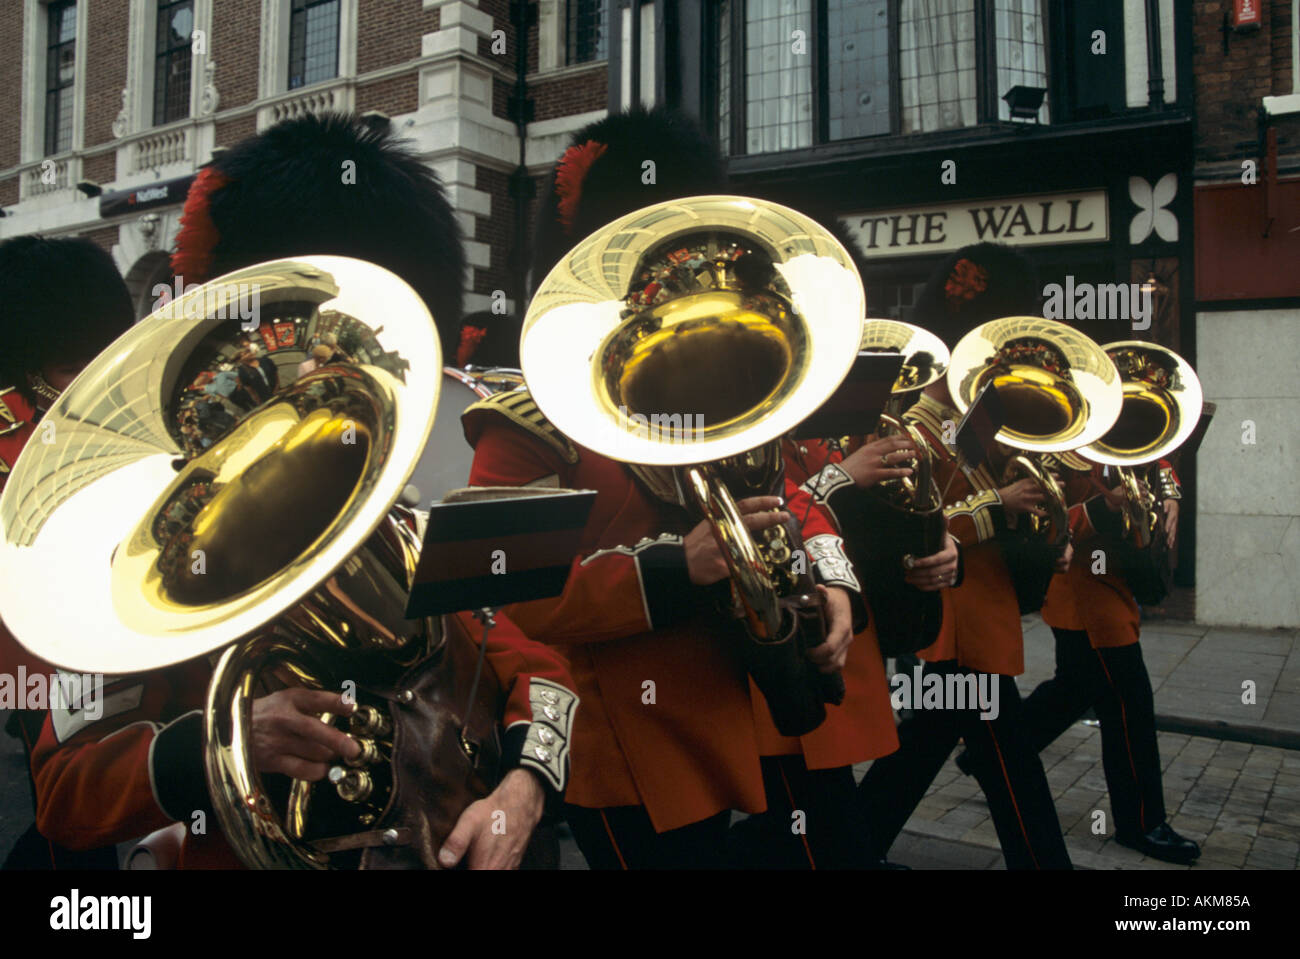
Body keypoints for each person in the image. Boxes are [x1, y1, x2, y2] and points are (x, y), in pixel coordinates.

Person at [22, 113, 576, 869]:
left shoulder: (405, 527)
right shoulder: (148, 551)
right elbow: (65, 785)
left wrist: (521, 790)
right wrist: (227, 742)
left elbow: (536, 667)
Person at [465, 107, 861, 869]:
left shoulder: (723, 379)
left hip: (735, 699)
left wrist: (833, 576)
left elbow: (786, 488)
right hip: (627, 741)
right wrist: (672, 569)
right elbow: (505, 596)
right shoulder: (529, 421)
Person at [855, 242, 1074, 870]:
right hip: (952, 621)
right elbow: (907, 529)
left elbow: (1004, 511)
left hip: (981, 614)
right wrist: (997, 506)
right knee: (1006, 758)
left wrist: (1044, 537)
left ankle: (852, 847)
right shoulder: (914, 427)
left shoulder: (984, 423)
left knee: (923, 748)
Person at [0, 235, 135, 869]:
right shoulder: (12, 424)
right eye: (70, 363)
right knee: (68, 820)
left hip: (121, 631)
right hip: (41, 650)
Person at [1016, 456, 1200, 863]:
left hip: (1111, 586)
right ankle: (1141, 823)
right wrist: (1106, 507)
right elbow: (1048, 519)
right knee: (1130, 705)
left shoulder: (1118, 424)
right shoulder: (1058, 437)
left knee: (1073, 690)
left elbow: (1158, 452)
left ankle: (996, 753)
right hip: (1085, 597)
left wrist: (1168, 493)